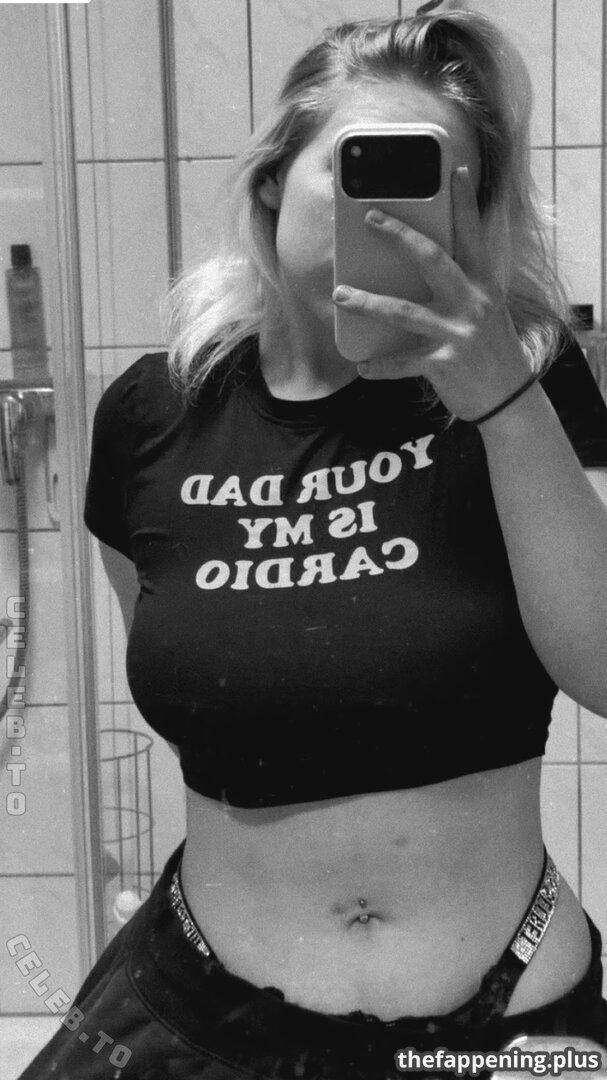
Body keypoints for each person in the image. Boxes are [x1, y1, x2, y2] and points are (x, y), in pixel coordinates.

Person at [19, 9, 607, 1079]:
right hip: (203, 1005)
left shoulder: (530, 384)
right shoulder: (156, 412)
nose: (390, 216)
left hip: (503, 1018)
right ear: (267, 184)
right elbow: (187, 677)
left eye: (439, 184)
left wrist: (502, 401)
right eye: (357, 169)